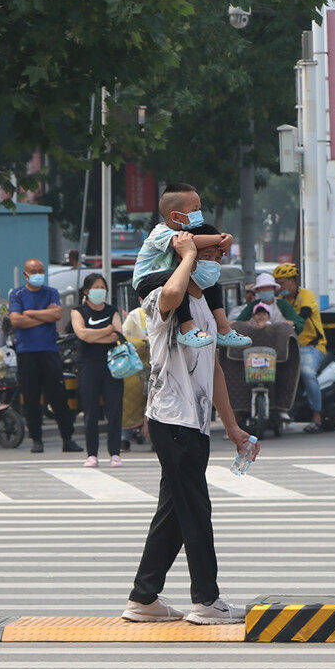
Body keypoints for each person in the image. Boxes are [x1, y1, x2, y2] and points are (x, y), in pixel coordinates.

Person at [124, 229, 253, 625]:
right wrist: (184, 257)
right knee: (196, 509)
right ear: (191, 253)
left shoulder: (203, 308)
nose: (220, 257)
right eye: (213, 251)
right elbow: (169, 296)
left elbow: (213, 368)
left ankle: (144, 597)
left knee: (175, 512)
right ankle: (206, 600)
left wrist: (233, 428)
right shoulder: (164, 297)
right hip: (171, 419)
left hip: (193, 422)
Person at [130, 185, 252, 348]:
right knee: (179, 281)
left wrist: (223, 239)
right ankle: (186, 326)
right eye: (195, 210)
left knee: (213, 287)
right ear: (175, 215)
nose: (199, 213)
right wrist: (220, 238)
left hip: (167, 276)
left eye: (199, 209)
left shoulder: (185, 230)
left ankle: (224, 329)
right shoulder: (160, 232)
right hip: (147, 280)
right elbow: (188, 243)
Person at [8, 257, 79, 453]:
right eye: (34, 271)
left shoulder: (51, 293)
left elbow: (56, 315)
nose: (38, 274)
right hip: (26, 352)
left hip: (49, 351)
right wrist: (42, 316)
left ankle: (67, 438)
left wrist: (29, 313)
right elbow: (16, 320)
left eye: (40, 271)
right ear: (26, 274)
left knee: (58, 397)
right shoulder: (17, 294)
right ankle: (36, 440)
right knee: (31, 398)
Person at [69, 273, 125, 468]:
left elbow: (118, 334)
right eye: (96, 287)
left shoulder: (112, 311)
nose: (100, 291)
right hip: (88, 365)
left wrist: (99, 335)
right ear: (87, 291)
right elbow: (82, 334)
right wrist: (105, 330)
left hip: (112, 365)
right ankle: (92, 454)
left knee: (114, 409)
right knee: (91, 410)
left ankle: (115, 453)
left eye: (103, 287)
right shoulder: (78, 311)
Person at [273, 263, 328, 431]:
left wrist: (293, 322)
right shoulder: (280, 301)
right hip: (288, 347)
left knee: (307, 373)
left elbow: (304, 314)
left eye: (281, 283)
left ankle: (317, 417)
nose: (278, 287)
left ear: (292, 281)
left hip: (311, 345)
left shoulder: (305, 295)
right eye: (276, 283)